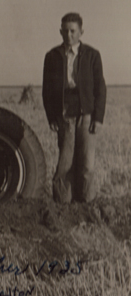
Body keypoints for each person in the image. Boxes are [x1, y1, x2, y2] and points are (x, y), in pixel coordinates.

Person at [42, 12, 106, 203]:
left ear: (81, 32)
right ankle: (62, 207)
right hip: (64, 114)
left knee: (87, 164)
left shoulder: (93, 55)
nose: (68, 35)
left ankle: (85, 205)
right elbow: (47, 90)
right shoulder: (52, 56)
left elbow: (100, 88)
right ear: (60, 32)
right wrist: (52, 117)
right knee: (65, 162)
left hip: (87, 113)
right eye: (65, 31)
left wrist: (98, 118)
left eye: (72, 31)